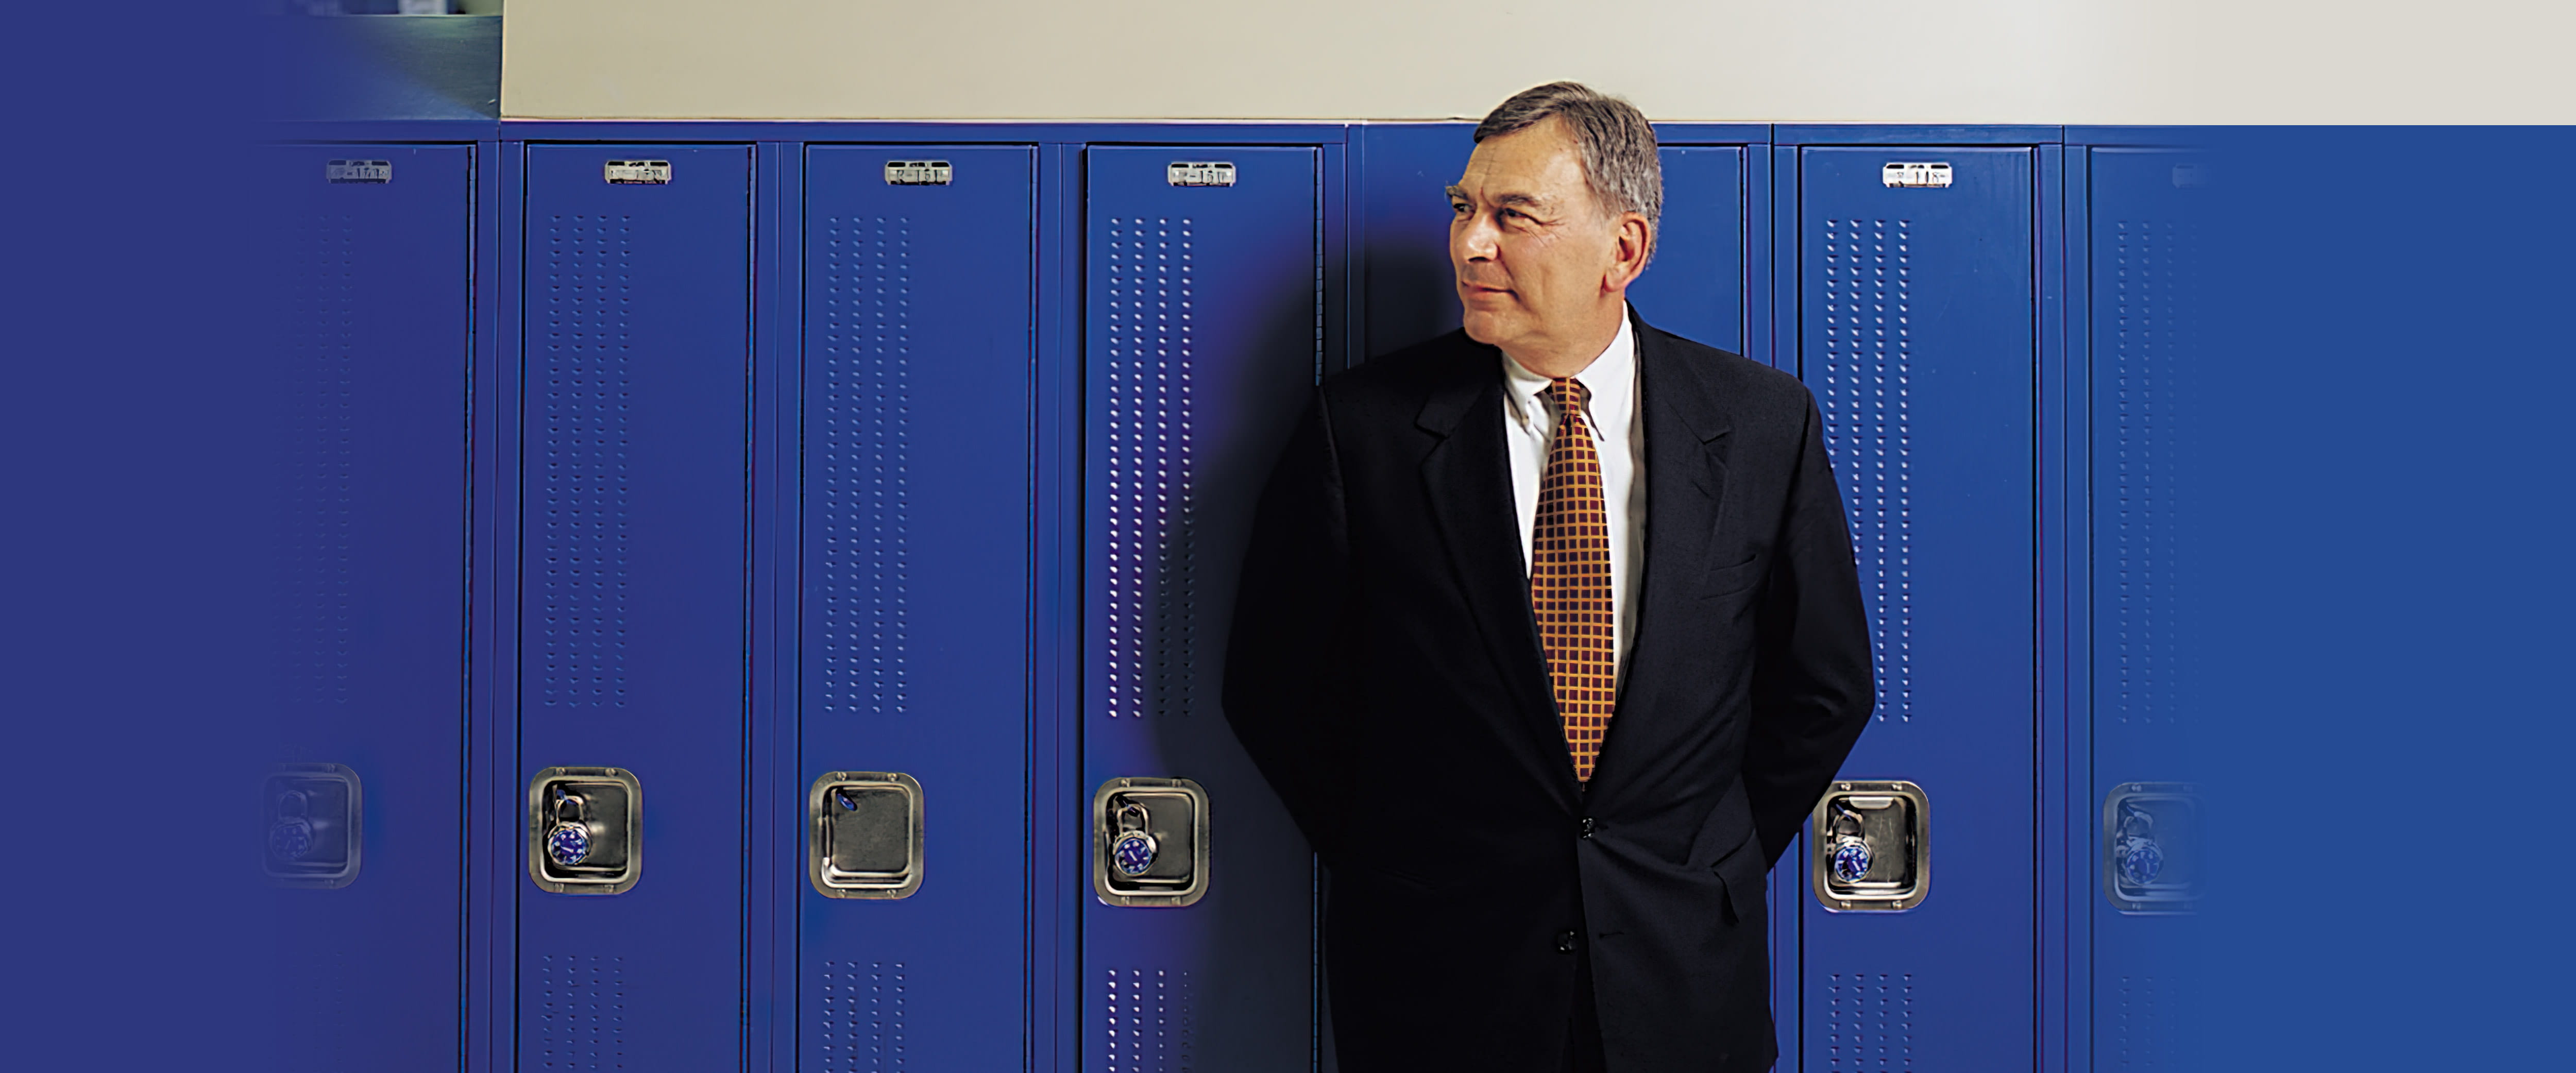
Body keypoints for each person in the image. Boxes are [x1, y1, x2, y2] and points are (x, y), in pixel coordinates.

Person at [1222, 82, 1875, 1072]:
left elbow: (1823, 687)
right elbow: (1274, 687)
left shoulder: (1761, 425)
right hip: (1439, 982)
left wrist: (1694, 859)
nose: (1469, 245)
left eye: (1512, 217)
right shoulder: (1362, 432)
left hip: (1682, 980)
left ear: (1625, 248)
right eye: (1463, 210)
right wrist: (1407, 862)